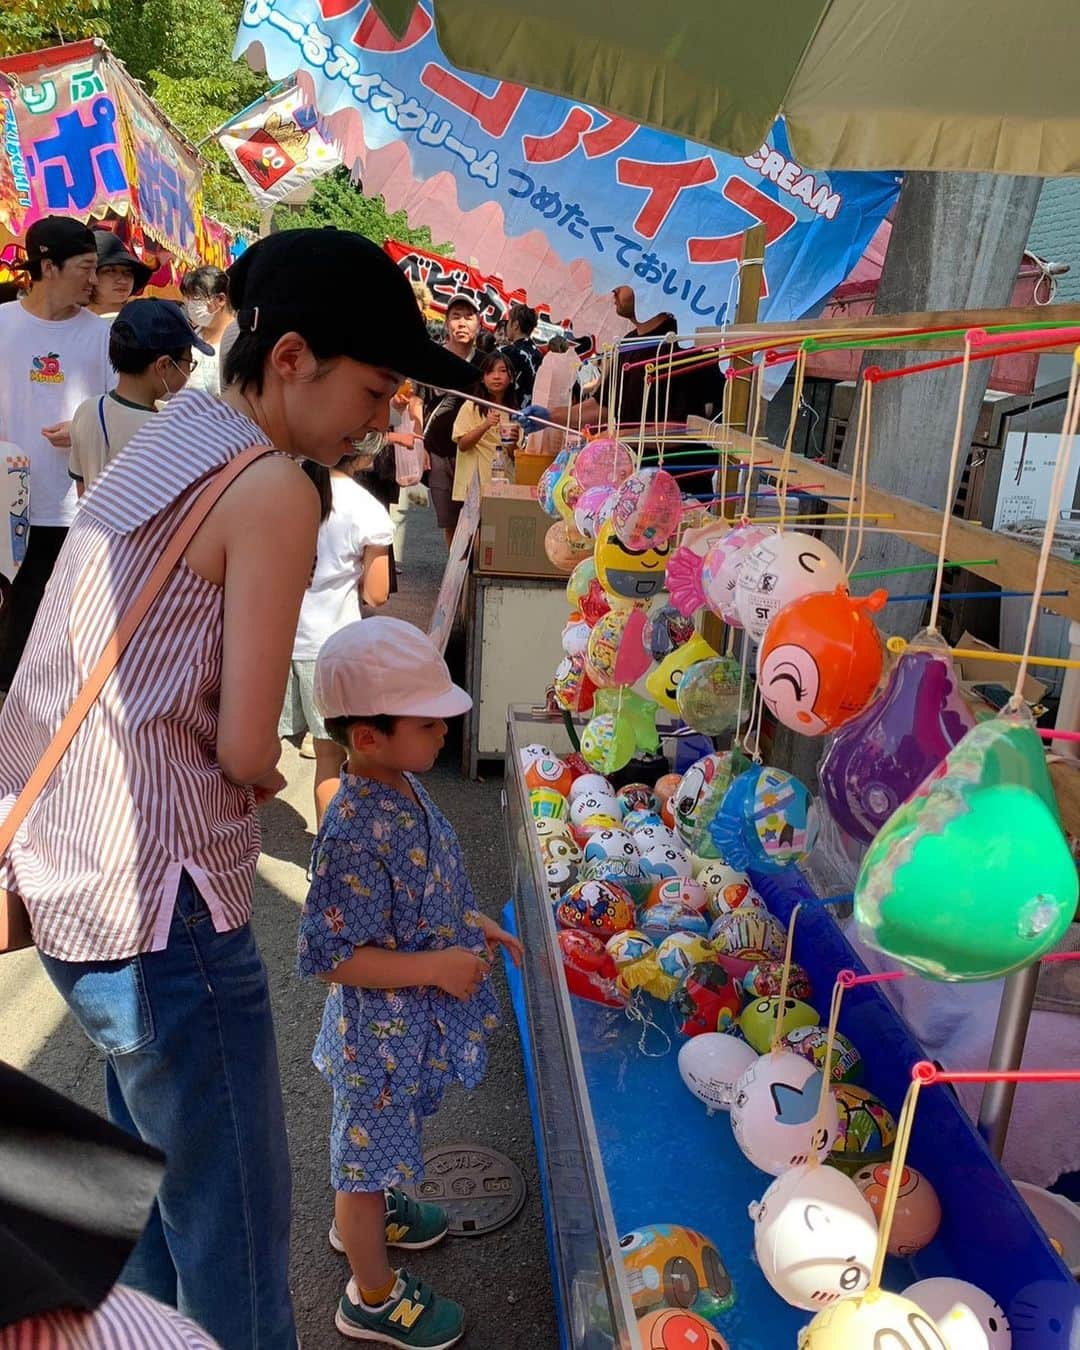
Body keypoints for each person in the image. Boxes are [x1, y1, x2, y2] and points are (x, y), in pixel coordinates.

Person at [0, 227, 475, 1348]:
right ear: (297, 355)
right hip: (163, 902)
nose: (383, 418)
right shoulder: (274, 488)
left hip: (72, 884)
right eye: (375, 387)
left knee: (155, 1186)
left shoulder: (176, 437)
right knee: (238, 1226)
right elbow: (246, 751)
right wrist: (276, 769)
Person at [298, 616, 522, 1346]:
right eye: (429, 725)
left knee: (381, 1147)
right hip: (378, 1042)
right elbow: (330, 954)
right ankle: (369, 1293)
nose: (445, 736)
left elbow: (420, 891)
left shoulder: (400, 783)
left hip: (405, 1032)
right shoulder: (355, 827)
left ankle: (376, 1213)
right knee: (358, 1165)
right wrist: (434, 965)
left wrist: (468, 922)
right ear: (367, 737)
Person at [0, 216, 112, 694]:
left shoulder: (102, 336)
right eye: (86, 268)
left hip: (69, 506)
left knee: (58, 615)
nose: (94, 280)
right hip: (4, 501)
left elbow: (116, 407)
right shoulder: (3, 324)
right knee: (9, 611)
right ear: (48, 266)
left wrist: (84, 428)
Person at [280, 450, 393, 824]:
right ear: (361, 454)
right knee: (335, 758)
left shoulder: (285, 487)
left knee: (276, 754)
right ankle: (331, 854)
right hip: (333, 646)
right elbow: (376, 593)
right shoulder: (365, 507)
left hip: (279, 640)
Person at [68, 298, 212, 495]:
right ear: (164, 365)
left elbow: (82, 490)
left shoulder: (88, 411)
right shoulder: (170, 429)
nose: (189, 369)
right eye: (189, 361)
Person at [422, 294, 481, 546]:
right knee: (449, 520)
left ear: (479, 323)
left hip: (477, 452)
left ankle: (472, 579)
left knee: (478, 519)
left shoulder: (487, 363)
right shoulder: (432, 358)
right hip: (439, 450)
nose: (462, 323)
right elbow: (417, 401)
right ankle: (455, 580)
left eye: (468, 317)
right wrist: (418, 445)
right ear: (446, 323)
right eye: (456, 317)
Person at [451, 351, 520, 502]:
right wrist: (485, 425)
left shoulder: (513, 412)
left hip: (502, 486)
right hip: (473, 485)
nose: (496, 376)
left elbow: (515, 456)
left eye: (502, 371)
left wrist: (512, 443)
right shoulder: (471, 407)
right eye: (490, 372)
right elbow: (462, 444)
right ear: (482, 378)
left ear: (511, 377)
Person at [179, 266, 233, 396]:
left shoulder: (238, 342)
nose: (190, 305)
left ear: (220, 299)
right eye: (188, 298)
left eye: (196, 298)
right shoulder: (187, 338)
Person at [87, 230, 153, 319]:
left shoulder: (146, 322)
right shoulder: (69, 323)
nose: (123, 280)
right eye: (110, 271)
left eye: (128, 272)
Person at [498, 302, 542, 401]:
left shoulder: (506, 352)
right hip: (530, 412)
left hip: (507, 408)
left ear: (515, 324)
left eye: (508, 322)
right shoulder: (539, 355)